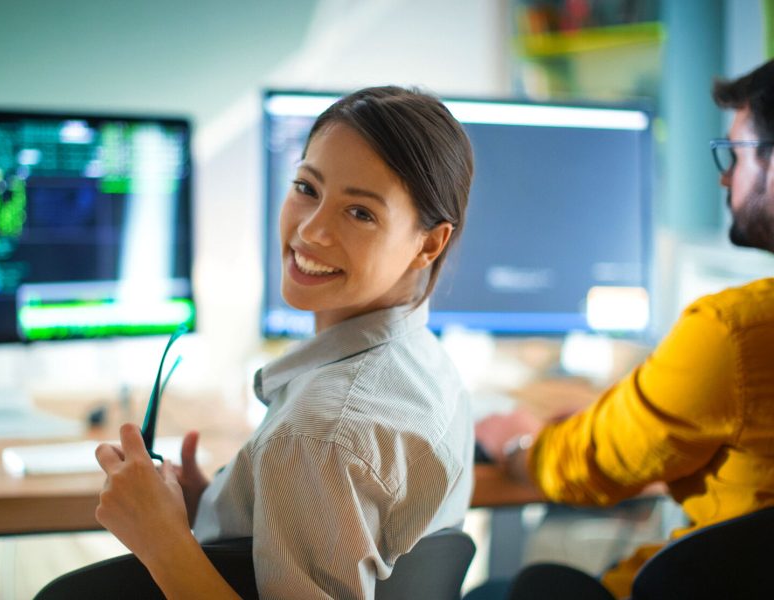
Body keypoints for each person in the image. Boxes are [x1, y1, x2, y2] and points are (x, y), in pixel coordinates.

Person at [94, 86, 475, 599]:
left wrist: (161, 541)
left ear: (428, 243)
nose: (311, 231)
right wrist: (226, 512)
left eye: (360, 212)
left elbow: (326, 448)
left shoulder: (320, 434)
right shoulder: (429, 365)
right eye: (306, 188)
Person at [474, 58, 774, 599]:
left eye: (736, 153)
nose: (725, 175)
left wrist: (516, 439)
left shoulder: (735, 334)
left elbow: (587, 469)